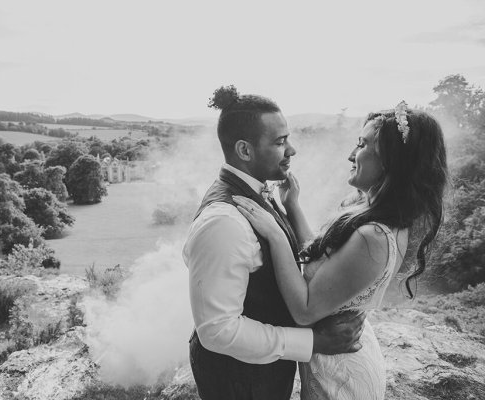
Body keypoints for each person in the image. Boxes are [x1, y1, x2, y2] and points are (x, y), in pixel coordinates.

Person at [233, 101, 448, 399]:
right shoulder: (372, 211)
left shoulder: (373, 235)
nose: (351, 154)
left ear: (390, 161)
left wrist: (275, 234)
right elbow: (324, 265)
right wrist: (292, 206)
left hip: (342, 376)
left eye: (362, 145)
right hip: (335, 360)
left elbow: (305, 311)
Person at [183, 85, 366, 400]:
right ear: (244, 150)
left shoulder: (257, 192)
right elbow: (216, 331)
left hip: (259, 373)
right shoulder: (224, 222)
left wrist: (291, 207)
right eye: (281, 141)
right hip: (237, 380)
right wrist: (313, 342)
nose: (291, 150)